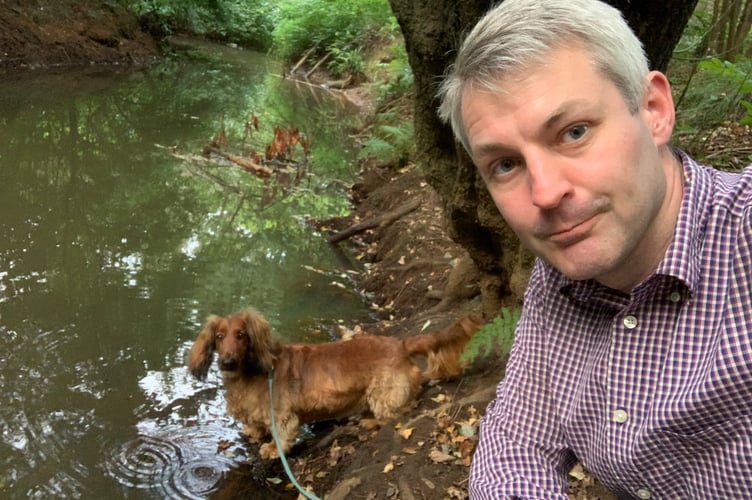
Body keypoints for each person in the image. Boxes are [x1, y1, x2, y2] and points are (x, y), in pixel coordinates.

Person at [437, 0, 752, 498]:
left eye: (574, 132)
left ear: (653, 111)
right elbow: (519, 438)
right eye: (505, 164)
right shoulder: (560, 273)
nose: (544, 193)